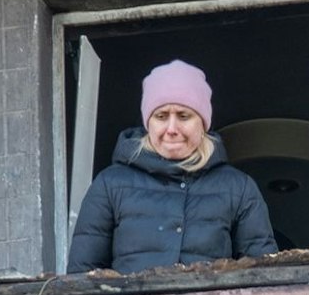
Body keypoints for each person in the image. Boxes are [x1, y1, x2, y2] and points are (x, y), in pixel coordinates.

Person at [67, 59, 278, 274]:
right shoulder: (110, 184)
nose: (171, 129)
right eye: (161, 116)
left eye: (184, 116)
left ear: (203, 123)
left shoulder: (239, 188)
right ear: (148, 122)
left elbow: (265, 277)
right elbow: (81, 277)